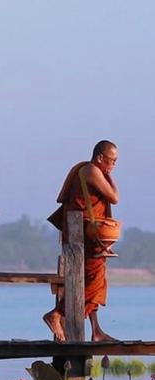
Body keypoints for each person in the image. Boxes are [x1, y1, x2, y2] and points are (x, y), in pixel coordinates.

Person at [43, 140, 119, 342]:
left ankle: (96, 330)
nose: (113, 164)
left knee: (97, 280)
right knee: (92, 280)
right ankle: (57, 314)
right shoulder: (91, 171)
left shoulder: (93, 170)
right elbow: (114, 197)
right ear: (100, 157)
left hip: (88, 233)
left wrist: (108, 172)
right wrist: (109, 176)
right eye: (112, 160)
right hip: (84, 233)